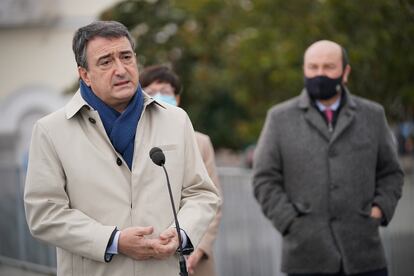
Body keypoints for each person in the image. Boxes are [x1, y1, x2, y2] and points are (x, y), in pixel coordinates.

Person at [23, 21, 220, 276]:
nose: (120, 69)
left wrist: (181, 233)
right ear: (84, 74)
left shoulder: (176, 119)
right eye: (105, 61)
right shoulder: (50, 131)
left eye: (126, 57)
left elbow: (201, 194)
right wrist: (113, 241)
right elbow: (44, 214)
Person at [253, 40, 404, 276]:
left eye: (328, 67)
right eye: (312, 67)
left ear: (345, 72)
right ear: (304, 69)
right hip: (306, 256)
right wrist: (289, 221)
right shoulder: (279, 118)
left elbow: (391, 172)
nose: (319, 74)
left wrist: (380, 209)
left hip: (364, 255)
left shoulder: (372, 115)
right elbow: (264, 178)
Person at [139, 65, 223, 276]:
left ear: (177, 98)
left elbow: (211, 199)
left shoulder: (200, 142)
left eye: (165, 91)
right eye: (150, 91)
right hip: (151, 251)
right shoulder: (135, 141)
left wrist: (199, 248)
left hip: (195, 256)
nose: (158, 96)